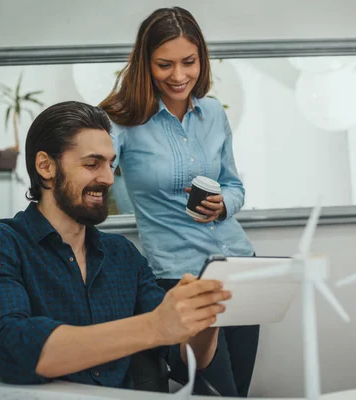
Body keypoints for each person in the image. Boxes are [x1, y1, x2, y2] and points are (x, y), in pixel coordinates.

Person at [0, 101, 231, 388]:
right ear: (46, 166)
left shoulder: (123, 255)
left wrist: (205, 318)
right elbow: (14, 350)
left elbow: (184, 361)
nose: (109, 178)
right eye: (92, 164)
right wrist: (155, 326)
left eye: (111, 164)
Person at [99, 6, 259, 397]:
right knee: (211, 391)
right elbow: (95, 170)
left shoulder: (213, 114)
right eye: (164, 64)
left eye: (189, 62)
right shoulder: (121, 120)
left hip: (237, 264)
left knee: (239, 391)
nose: (178, 75)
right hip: (179, 275)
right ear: (145, 64)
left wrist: (224, 204)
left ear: (201, 59)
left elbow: (234, 185)